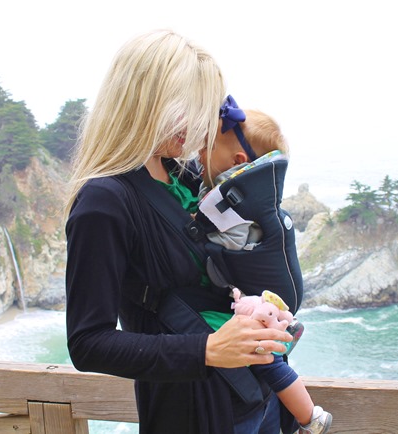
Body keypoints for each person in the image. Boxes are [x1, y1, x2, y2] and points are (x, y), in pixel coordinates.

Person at [64, 30, 295, 434]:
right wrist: (208, 349)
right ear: (148, 103)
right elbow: (88, 343)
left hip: (260, 396)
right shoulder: (105, 201)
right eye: (191, 109)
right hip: (195, 413)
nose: (202, 126)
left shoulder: (184, 175)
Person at [195, 101, 333, 434]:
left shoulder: (235, 209)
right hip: (258, 300)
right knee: (270, 361)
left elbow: (224, 241)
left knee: (269, 364)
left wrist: (195, 227)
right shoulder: (244, 196)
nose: (197, 153)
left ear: (237, 161)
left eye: (206, 147)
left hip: (253, 307)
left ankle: (310, 418)